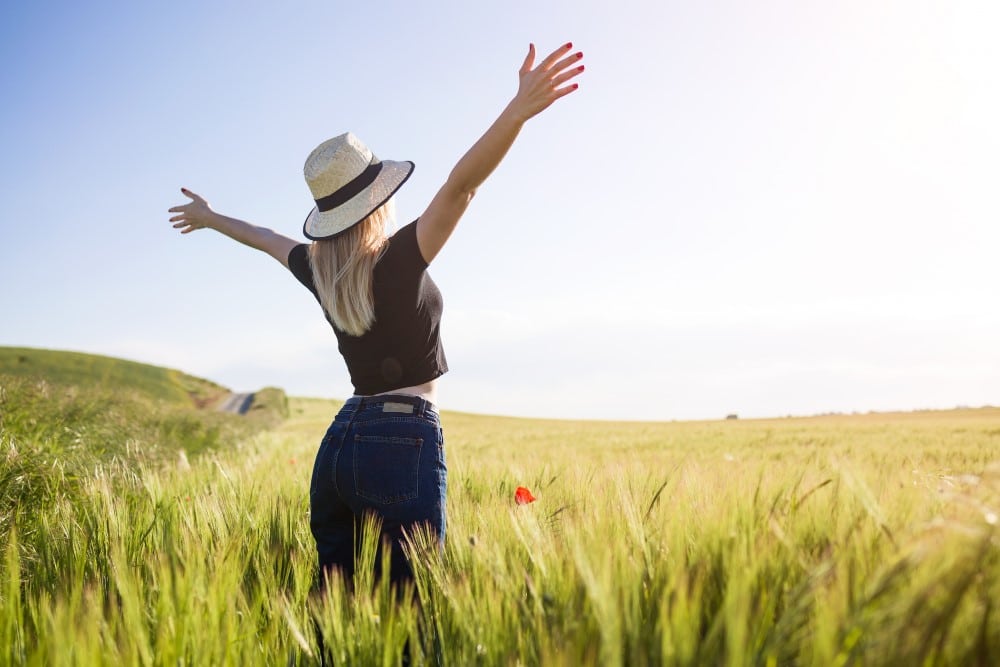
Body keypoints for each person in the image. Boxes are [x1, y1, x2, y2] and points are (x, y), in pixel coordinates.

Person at [168, 42, 584, 590]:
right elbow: (461, 188)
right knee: (410, 610)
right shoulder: (398, 258)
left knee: (335, 605)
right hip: (402, 438)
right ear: (376, 200)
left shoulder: (321, 271)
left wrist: (210, 217)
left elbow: (265, 238)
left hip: (339, 442)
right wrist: (517, 112)